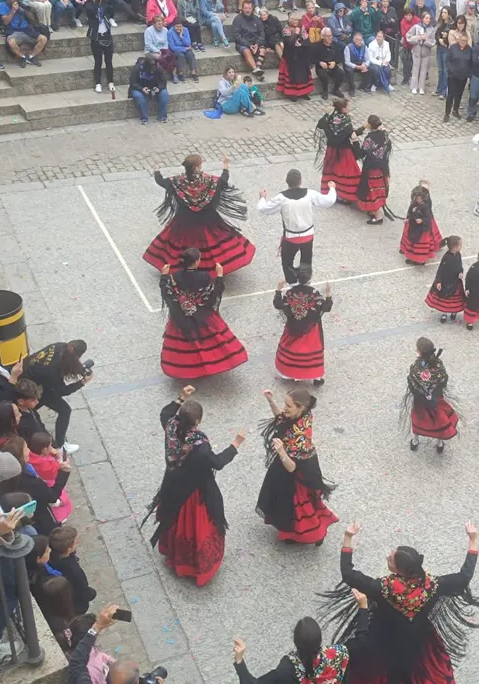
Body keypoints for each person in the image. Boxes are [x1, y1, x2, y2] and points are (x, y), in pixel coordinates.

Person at [320, 520, 479, 683]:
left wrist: (348, 537)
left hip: (383, 636)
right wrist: (473, 539)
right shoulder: (433, 585)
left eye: (390, 559)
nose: (387, 557)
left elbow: (348, 574)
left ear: (399, 570)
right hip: (418, 637)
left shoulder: (382, 588)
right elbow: (464, 577)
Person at [143, 386, 245, 585]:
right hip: (194, 490)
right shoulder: (199, 444)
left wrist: (181, 397)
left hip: (172, 481)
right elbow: (217, 463)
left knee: (175, 518)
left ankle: (174, 555)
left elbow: (165, 413)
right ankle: (195, 565)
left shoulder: (171, 426)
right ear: (197, 421)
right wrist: (235, 445)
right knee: (195, 526)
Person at [144, 155, 254, 274]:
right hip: (208, 220)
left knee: (180, 244)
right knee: (212, 243)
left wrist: (156, 168)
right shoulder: (210, 181)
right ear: (197, 167)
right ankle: (211, 268)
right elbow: (223, 180)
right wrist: (225, 166)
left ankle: (183, 267)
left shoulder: (177, 182)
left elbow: (160, 181)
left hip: (184, 221)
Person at [255, 387, 337, 545]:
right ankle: (292, 533)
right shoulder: (302, 413)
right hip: (290, 460)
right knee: (293, 505)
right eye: (284, 404)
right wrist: (271, 401)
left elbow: (292, 468)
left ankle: (313, 534)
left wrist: (281, 451)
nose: (284, 408)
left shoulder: (299, 434)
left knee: (298, 506)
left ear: (300, 407)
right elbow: (281, 419)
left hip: (296, 470)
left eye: (288, 405)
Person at [233, 590, 371, 682]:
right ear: (320, 640)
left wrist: (239, 661)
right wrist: (363, 607)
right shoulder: (338, 654)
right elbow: (362, 641)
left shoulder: (288, 670)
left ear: (295, 642)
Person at [159, 248, 248, 378]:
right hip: (202, 315)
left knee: (184, 344)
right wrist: (219, 276)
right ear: (196, 262)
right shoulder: (204, 276)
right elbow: (212, 296)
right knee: (208, 340)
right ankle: (207, 365)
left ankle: (186, 369)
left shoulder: (174, 277)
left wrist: (164, 276)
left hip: (181, 315)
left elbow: (167, 293)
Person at [258, 169, 336, 281]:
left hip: (291, 237)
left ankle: (292, 282)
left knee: (287, 263)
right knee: (306, 261)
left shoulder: (281, 198)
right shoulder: (310, 194)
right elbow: (328, 201)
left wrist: (262, 197)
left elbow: (264, 208)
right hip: (308, 235)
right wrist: (332, 188)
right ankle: (304, 282)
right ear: (300, 181)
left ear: (287, 182)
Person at [22, 341, 91, 452]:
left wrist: (79, 368)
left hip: (27, 374)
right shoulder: (52, 371)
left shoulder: (59, 346)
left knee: (38, 406)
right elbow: (60, 391)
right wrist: (81, 383)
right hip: (32, 388)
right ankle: (60, 446)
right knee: (64, 410)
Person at [0, 436, 70, 535]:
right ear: (20, 457)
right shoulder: (30, 482)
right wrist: (64, 473)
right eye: (26, 449)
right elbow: (52, 496)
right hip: (38, 519)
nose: (28, 451)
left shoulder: (1, 476)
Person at [272, 266, 333, 384]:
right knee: (310, 351)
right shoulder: (314, 293)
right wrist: (328, 294)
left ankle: (289, 372)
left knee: (292, 348)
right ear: (310, 278)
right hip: (311, 330)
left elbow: (278, 304)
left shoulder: (290, 293)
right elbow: (326, 307)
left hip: (293, 327)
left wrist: (279, 289)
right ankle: (316, 377)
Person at [402, 337, 458, 452]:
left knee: (418, 421)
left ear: (419, 352)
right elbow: (444, 379)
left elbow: (412, 384)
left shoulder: (416, 366)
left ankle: (415, 441)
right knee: (439, 420)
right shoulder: (438, 363)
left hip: (420, 402)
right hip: (437, 399)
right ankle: (439, 443)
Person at [352, 114, 392, 224]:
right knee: (379, 189)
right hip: (383, 167)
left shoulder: (369, 139)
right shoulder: (384, 134)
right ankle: (374, 211)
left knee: (373, 191)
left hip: (372, 168)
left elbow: (360, 154)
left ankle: (378, 217)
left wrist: (355, 141)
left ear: (369, 125)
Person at [0, 0, 48, 67]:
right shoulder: (3, 5)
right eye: (16, 0)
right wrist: (13, 11)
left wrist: (25, 10)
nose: (18, 1)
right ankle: (22, 57)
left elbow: (32, 19)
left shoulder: (22, 5)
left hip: (26, 30)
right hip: (14, 30)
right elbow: (5, 22)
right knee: (11, 42)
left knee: (43, 39)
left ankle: (32, 56)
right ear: (10, 0)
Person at [399, 181, 442, 265]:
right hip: (413, 225)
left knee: (419, 243)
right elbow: (410, 209)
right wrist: (408, 218)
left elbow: (428, 217)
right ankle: (409, 252)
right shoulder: (414, 202)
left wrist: (422, 220)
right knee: (411, 239)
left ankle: (419, 260)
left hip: (421, 228)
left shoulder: (426, 205)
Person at [425, 234, 464, 322]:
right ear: (454, 247)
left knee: (455, 298)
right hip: (446, 282)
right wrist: (439, 281)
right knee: (445, 298)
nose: (461, 247)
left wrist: (460, 272)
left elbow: (460, 266)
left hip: (455, 282)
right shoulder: (446, 257)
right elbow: (441, 269)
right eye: (460, 245)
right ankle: (444, 313)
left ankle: (454, 311)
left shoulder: (458, 255)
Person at [84, 0, 115, 94]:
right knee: (98, 61)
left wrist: (111, 0)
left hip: (106, 36)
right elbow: (92, 12)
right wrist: (97, 1)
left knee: (109, 61)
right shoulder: (89, 5)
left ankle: (111, 82)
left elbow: (111, 11)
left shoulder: (104, 4)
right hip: (96, 36)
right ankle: (98, 83)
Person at [444, 31, 472, 121]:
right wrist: (451, 69)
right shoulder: (453, 47)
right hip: (452, 75)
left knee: (459, 94)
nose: (463, 42)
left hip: (463, 76)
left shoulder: (469, 49)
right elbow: (447, 60)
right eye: (462, 40)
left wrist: (468, 73)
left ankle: (455, 110)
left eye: (465, 41)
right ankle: (447, 113)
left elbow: (471, 62)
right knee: (451, 94)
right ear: (458, 40)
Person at [406, 10, 434, 94]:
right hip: (416, 51)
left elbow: (433, 42)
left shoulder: (431, 29)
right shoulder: (416, 27)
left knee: (423, 70)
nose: (428, 20)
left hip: (426, 52)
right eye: (426, 18)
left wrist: (426, 40)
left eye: (429, 18)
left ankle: (421, 87)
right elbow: (408, 37)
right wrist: (418, 38)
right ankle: (414, 86)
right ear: (422, 19)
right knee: (415, 69)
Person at [313, 27, 345, 97]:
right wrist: (320, 62)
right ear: (323, 36)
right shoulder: (317, 46)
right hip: (321, 66)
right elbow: (312, 58)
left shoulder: (335, 45)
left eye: (330, 36)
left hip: (332, 65)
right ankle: (325, 90)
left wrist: (335, 62)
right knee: (324, 76)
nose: (329, 38)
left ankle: (336, 89)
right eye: (327, 36)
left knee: (341, 73)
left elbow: (340, 57)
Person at [366, 28, 393, 92]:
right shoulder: (371, 45)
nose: (378, 38)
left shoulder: (386, 44)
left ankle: (388, 83)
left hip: (384, 62)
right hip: (374, 63)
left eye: (380, 37)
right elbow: (371, 58)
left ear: (383, 38)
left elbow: (388, 55)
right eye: (377, 36)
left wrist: (386, 61)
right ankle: (375, 84)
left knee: (387, 70)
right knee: (377, 70)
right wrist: (380, 63)